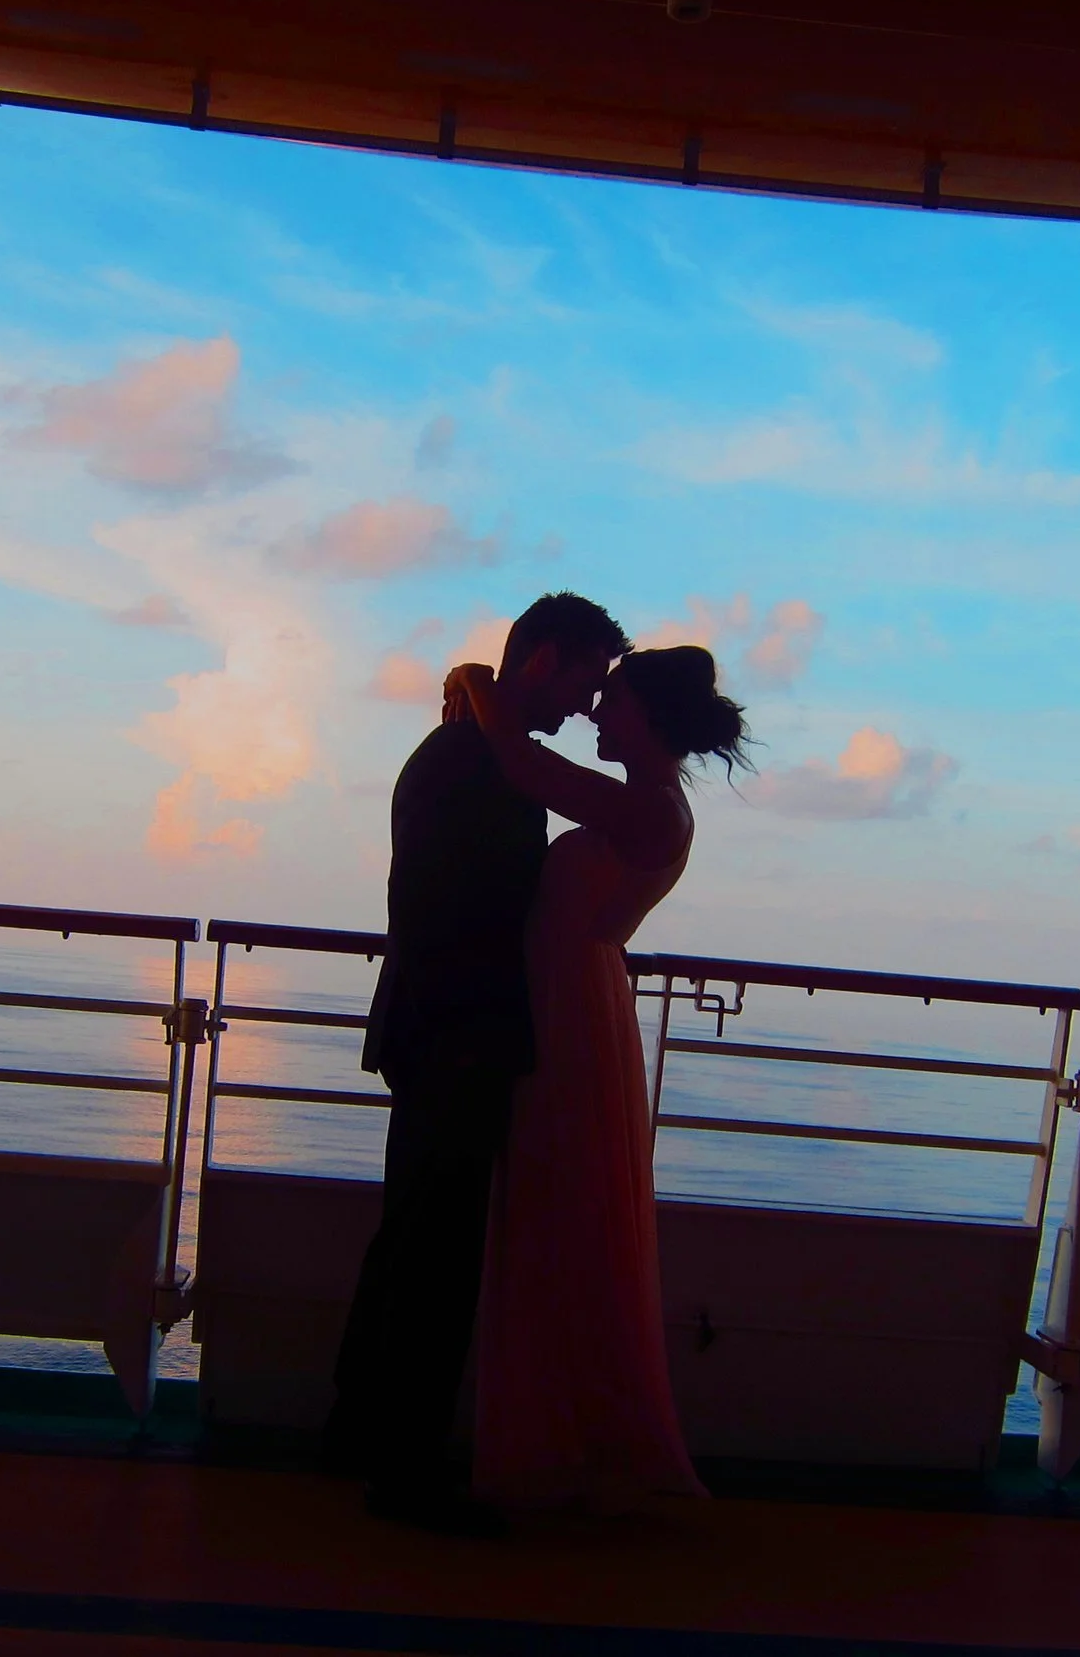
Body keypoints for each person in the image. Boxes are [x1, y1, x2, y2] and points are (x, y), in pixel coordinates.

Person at [328, 592, 630, 1537]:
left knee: (413, 1240)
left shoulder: (469, 748)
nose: (588, 705)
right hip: (455, 1036)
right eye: (585, 677)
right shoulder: (474, 759)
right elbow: (434, 905)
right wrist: (470, 1031)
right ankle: (403, 1470)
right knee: (434, 1255)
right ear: (542, 660)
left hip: (440, 1032)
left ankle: (363, 1435)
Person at [444, 644, 749, 1515]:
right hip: (568, 1002)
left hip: (572, 1013)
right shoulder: (646, 803)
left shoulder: (651, 809)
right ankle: (554, 1438)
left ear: (649, 717)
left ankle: (564, 1444)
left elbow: (523, 762)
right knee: (553, 1213)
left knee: (558, 1211)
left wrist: (473, 679)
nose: (595, 714)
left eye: (610, 701)